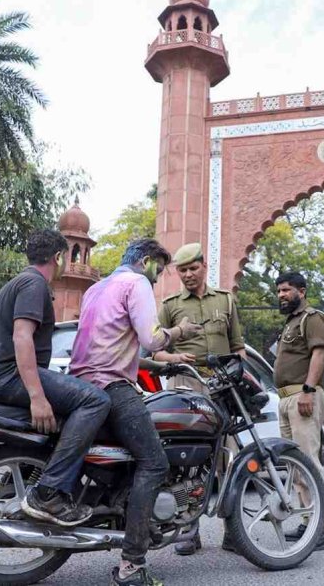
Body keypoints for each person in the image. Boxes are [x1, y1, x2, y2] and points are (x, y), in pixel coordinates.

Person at [69, 238, 202, 586]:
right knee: (155, 462)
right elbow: (152, 336)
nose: (158, 277)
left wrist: (157, 368)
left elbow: (111, 345)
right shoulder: (136, 282)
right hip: (113, 388)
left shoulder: (97, 288)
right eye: (159, 268)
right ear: (145, 261)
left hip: (82, 387)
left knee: (132, 457)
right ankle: (132, 564)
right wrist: (180, 332)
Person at [0, 229, 111, 527]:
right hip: (8, 376)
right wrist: (37, 396)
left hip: (1, 376)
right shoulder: (34, 285)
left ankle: (23, 476)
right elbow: (22, 337)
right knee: (96, 401)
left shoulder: (18, 282)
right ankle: (49, 492)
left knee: (65, 419)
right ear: (58, 257)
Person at [152, 242, 246, 556]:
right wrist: (176, 356)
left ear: (204, 267)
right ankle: (188, 532)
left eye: (194, 268)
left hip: (222, 388)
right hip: (186, 384)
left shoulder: (226, 300)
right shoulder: (169, 305)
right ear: (177, 273)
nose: (189, 275)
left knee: (227, 460)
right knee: (188, 461)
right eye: (183, 270)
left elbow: (238, 347)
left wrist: (241, 378)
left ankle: (233, 532)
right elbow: (155, 351)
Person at [273, 271, 324, 551]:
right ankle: (308, 521)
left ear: (301, 290)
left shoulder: (313, 318)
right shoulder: (291, 323)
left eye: (286, 290)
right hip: (287, 399)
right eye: (278, 291)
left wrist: (308, 390)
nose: (281, 295)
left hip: (303, 396)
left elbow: (319, 353)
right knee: (295, 465)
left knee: (308, 462)